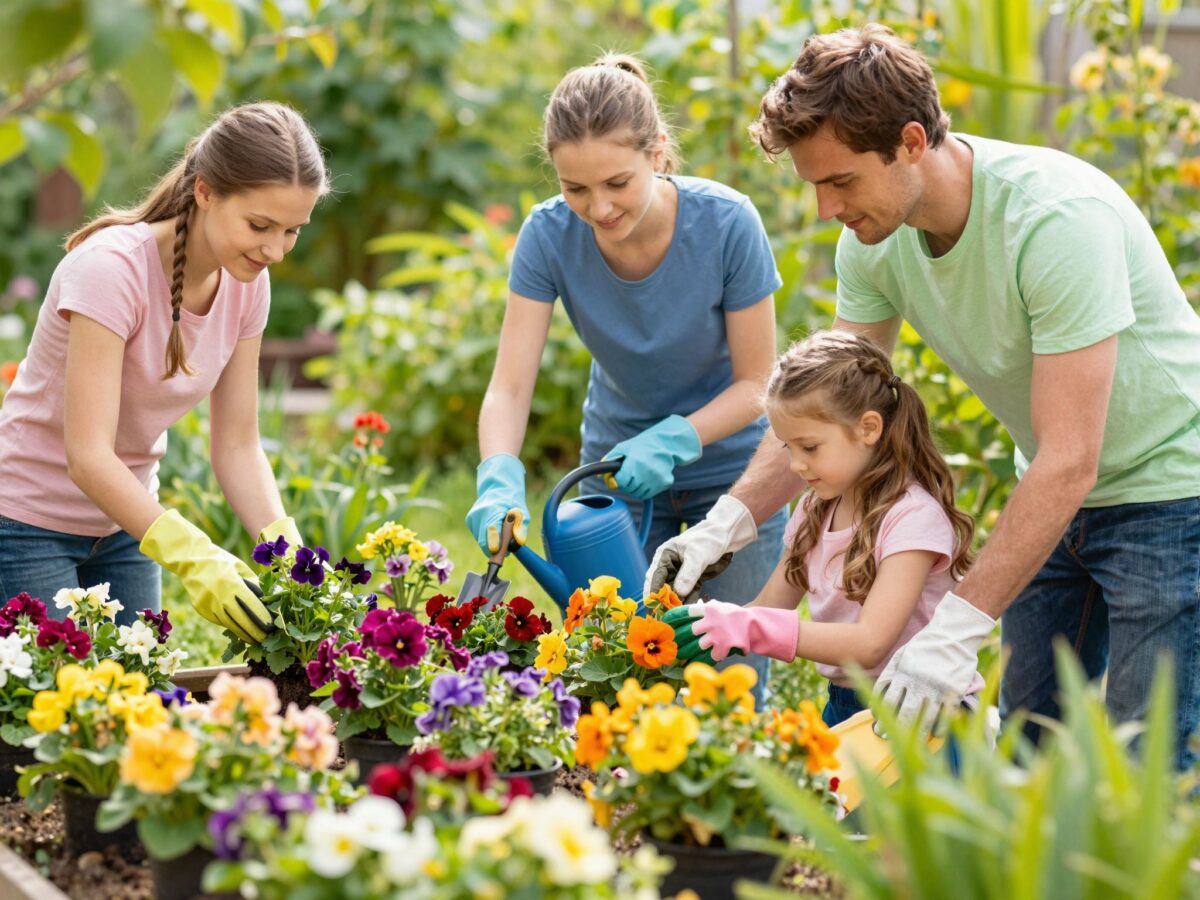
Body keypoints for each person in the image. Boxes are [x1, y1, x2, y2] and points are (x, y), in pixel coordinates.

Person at [648, 24, 1200, 767]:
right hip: (1056, 497)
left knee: (1156, 763)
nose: (824, 208)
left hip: (1172, 493)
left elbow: (1073, 456)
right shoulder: (874, 243)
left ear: (910, 141)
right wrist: (729, 522)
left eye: (839, 180)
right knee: (1032, 752)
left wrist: (956, 628)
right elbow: (828, 407)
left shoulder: (1054, 223)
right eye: (814, 184)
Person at [467, 53, 787, 691]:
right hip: (612, 486)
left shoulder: (727, 224)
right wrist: (497, 474)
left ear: (659, 152)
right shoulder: (548, 237)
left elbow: (760, 385)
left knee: (727, 688)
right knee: (616, 681)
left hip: (731, 484)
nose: (598, 207)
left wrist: (677, 437)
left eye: (617, 182)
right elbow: (508, 385)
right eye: (575, 188)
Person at [0, 102, 327, 644]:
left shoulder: (248, 284)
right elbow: (87, 455)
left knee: (139, 711)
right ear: (205, 192)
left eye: (292, 230)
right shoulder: (111, 270)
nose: (275, 251)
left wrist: (287, 552)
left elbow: (239, 445)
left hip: (125, 530)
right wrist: (194, 556)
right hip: (27, 526)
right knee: (53, 715)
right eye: (259, 225)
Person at [667, 330, 982, 736]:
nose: (797, 466)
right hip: (846, 705)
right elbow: (770, 608)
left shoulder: (912, 519)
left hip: (921, 715)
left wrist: (752, 628)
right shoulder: (818, 507)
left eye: (809, 447)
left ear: (869, 428)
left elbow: (870, 643)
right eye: (787, 448)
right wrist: (705, 625)